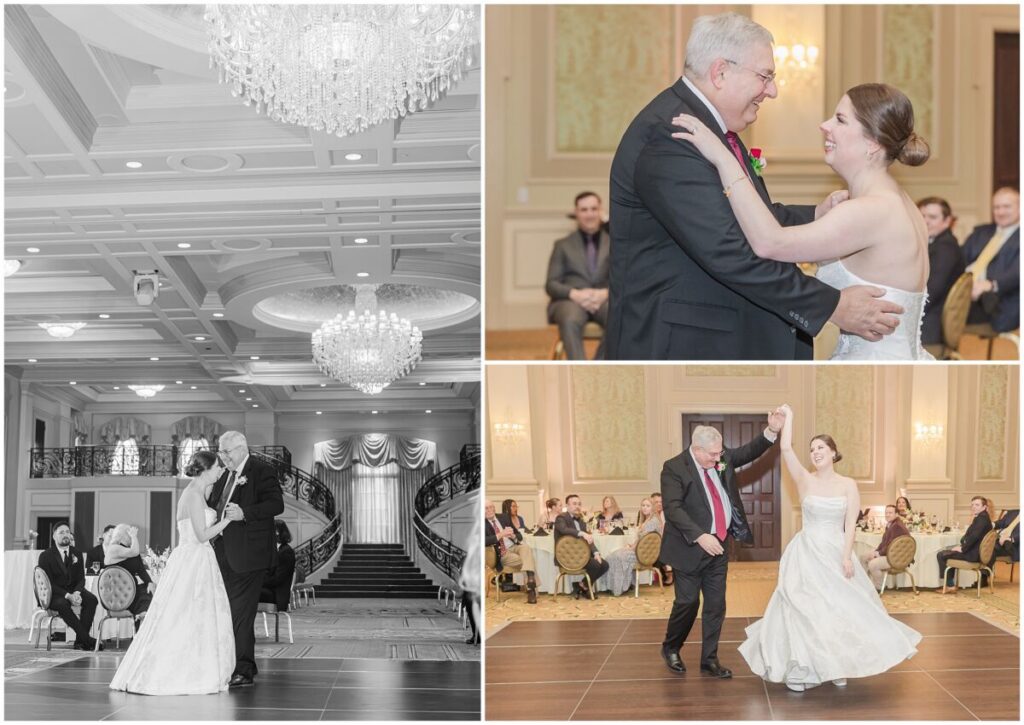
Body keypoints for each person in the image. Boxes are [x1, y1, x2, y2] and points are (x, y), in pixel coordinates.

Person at [606, 12, 902, 361]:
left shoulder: (706, 126)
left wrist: (815, 215)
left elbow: (742, 217)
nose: (772, 91)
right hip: (686, 345)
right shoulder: (672, 134)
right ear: (720, 72)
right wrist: (834, 305)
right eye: (765, 76)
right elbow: (728, 250)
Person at [674, 78, 933, 360]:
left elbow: (769, 243)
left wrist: (723, 160)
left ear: (871, 143)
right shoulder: (898, 202)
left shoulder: (870, 210)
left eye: (840, 120)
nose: (825, 125)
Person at [738, 405, 920, 691]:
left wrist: (847, 558)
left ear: (834, 453)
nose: (816, 452)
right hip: (807, 551)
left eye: (821, 447)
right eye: (812, 449)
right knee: (805, 609)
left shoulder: (848, 485)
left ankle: (837, 662)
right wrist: (790, 419)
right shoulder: (804, 480)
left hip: (835, 552)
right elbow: (785, 449)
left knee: (838, 609)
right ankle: (805, 667)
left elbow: (850, 526)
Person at [660, 411, 782, 679]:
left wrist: (771, 431)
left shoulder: (721, 457)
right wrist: (700, 535)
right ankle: (671, 647)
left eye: (720, 454)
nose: (719, 459)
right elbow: (673, 509)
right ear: (696, 448)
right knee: (687, 602)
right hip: (688, 548)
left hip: (719, 548)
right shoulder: (674, 468)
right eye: (713, 455)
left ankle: (709, 659)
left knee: (716, 604)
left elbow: (748, 452)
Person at [109, 451, 235, 694]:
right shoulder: (193, 495)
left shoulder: (197, 491)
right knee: (185, 614)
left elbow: (211, 507)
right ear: (206, 468)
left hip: (195, 558)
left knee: (194, 616)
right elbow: (202, 536)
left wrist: (232, 484)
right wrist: (228, 520)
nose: (221, 470)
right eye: (219, 466)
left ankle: (198, 666)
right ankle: (180, 671)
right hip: (195, 559)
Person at [206, 430, 285, 687]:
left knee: (240, 614)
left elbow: (276, 505)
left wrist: (246, 513)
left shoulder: (261, 470)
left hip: (250, 557)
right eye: (220, 452)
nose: (222, 457)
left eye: (226, 452)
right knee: (225, 612)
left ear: (241, 448)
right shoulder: (224, 476)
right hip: (221, 554)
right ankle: (231, 663)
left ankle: (243, 669)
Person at [546, 191, 610, 360]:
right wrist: (576, 294)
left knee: (619, 314)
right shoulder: (562, 245)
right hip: (570, 301)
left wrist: (605, 293)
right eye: (584, 209)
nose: (589, 214)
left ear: (600, 211)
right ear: (576, 213)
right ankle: (578, 368)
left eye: (594, 209)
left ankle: (598, 368)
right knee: (570, 318)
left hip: (605, 299)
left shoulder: (615, 243)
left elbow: (626, 280)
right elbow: (551, 284)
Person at [962, 187, 1020, 335]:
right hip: (966, 290)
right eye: (996, 207)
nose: (1000, 212)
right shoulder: (981, 232)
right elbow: (959, 259)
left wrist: (990, 285)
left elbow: (1018, 272)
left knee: (938, 316)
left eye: (1006, 206)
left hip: (998, 300)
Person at [37, 521, 101, 650]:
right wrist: (67, 595)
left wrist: (77, 593)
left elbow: (81, 578)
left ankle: (80, 642)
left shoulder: (76, 553)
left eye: (67, 532)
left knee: (92, 600)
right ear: (54, 536)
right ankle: (87, 639)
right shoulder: (45, 556)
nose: (65, 534)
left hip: (74, 590)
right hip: (54, 594)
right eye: (61, 532)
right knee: (63, 603)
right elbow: (48, 583)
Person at [917, 197, 966, 352]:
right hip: (927, 320)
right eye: (922, 216)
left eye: (932, 217)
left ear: (947, 221)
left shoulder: (946, 248)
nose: (925, 221)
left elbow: (931, 292)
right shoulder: (933, 242)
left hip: (929, 329)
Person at [603, 498, 664, 596]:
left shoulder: (652, 522)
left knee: (617, 556)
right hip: (642, 551)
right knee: (613, 555)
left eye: (648, 506)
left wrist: (632, 548)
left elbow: (643, 540)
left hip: (643, 555)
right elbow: (643, 539)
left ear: (653, 508)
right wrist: (632, 545)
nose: (644, 508)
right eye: (643, 505)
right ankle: (616, 586)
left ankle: (618, 589)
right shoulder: (649, 519)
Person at [554, 495, 610, 599]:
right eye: (574, 504)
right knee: (595, 565)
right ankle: (586, 587)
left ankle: (582, 585)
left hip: (581, 555)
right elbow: (564, 530)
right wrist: (581, 533)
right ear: (567, 505)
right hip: (567, 557)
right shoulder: (561, 518)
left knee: (604, 565)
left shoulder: (581, 520)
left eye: (579, 504)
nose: (577, 506)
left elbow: (589, 539)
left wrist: (596, 553)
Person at [484, 500, 539, 604]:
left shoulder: (504, 517)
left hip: (513, 546)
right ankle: (531, 588)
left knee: (526, 548)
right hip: (501, 554)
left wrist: (513, 536)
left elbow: (519, 536)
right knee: (528, 559)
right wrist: (501, 534)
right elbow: (484, 541)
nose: (490, 510)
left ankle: (530, 581)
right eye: (486, 508)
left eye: (491, 507)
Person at [936, 496, 994, 592]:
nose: (973, 507)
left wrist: (962, 549)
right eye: (972, 505)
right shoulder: (983, 517)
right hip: (977, 553)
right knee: (950, 550)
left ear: (984, 507)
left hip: (973, 555)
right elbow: (972, 537)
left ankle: (950, 586)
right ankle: (951, 584)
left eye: (977, 505)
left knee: (941, 554)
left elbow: (973, 537)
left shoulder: (981, 520)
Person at [102, 524, 153, 625]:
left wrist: (149, 582)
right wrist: (134, 536)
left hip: (130, 593)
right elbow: (135, 551)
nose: (133, 537)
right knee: (145, 596)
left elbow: (141, 570)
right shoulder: (113, 549)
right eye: (130, 534)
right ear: (124, 535)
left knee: (148, 590)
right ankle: (141, 624)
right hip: (116, 595)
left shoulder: (131, 553)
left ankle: (141, 622)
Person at [859, 505, 911, 588]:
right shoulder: (891, 524)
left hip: (896, 558)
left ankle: (878, 587)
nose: (887, 515)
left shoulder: (897, 526)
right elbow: (884, 543)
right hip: (890, 554)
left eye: (890, 513)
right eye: (886, 513)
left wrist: (877, 554)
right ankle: (864, 584)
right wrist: (876, 552)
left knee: (873, 564)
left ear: (896, 514)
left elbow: (890, 546)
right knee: (863, 557)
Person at [259, 520, 296, 612]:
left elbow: (278, 579)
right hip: (270, 589)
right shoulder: (274, 550)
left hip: (277, 593)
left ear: (277, 532)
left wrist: (258, 582)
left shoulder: (287, 552)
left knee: (249, 591)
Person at [649, 492, 673, 585]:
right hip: (652, 542)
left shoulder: (668, 513)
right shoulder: (646, 512)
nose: (659, 504)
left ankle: (669, 572)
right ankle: (664, 572)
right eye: (656, 502)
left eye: (661, 502)